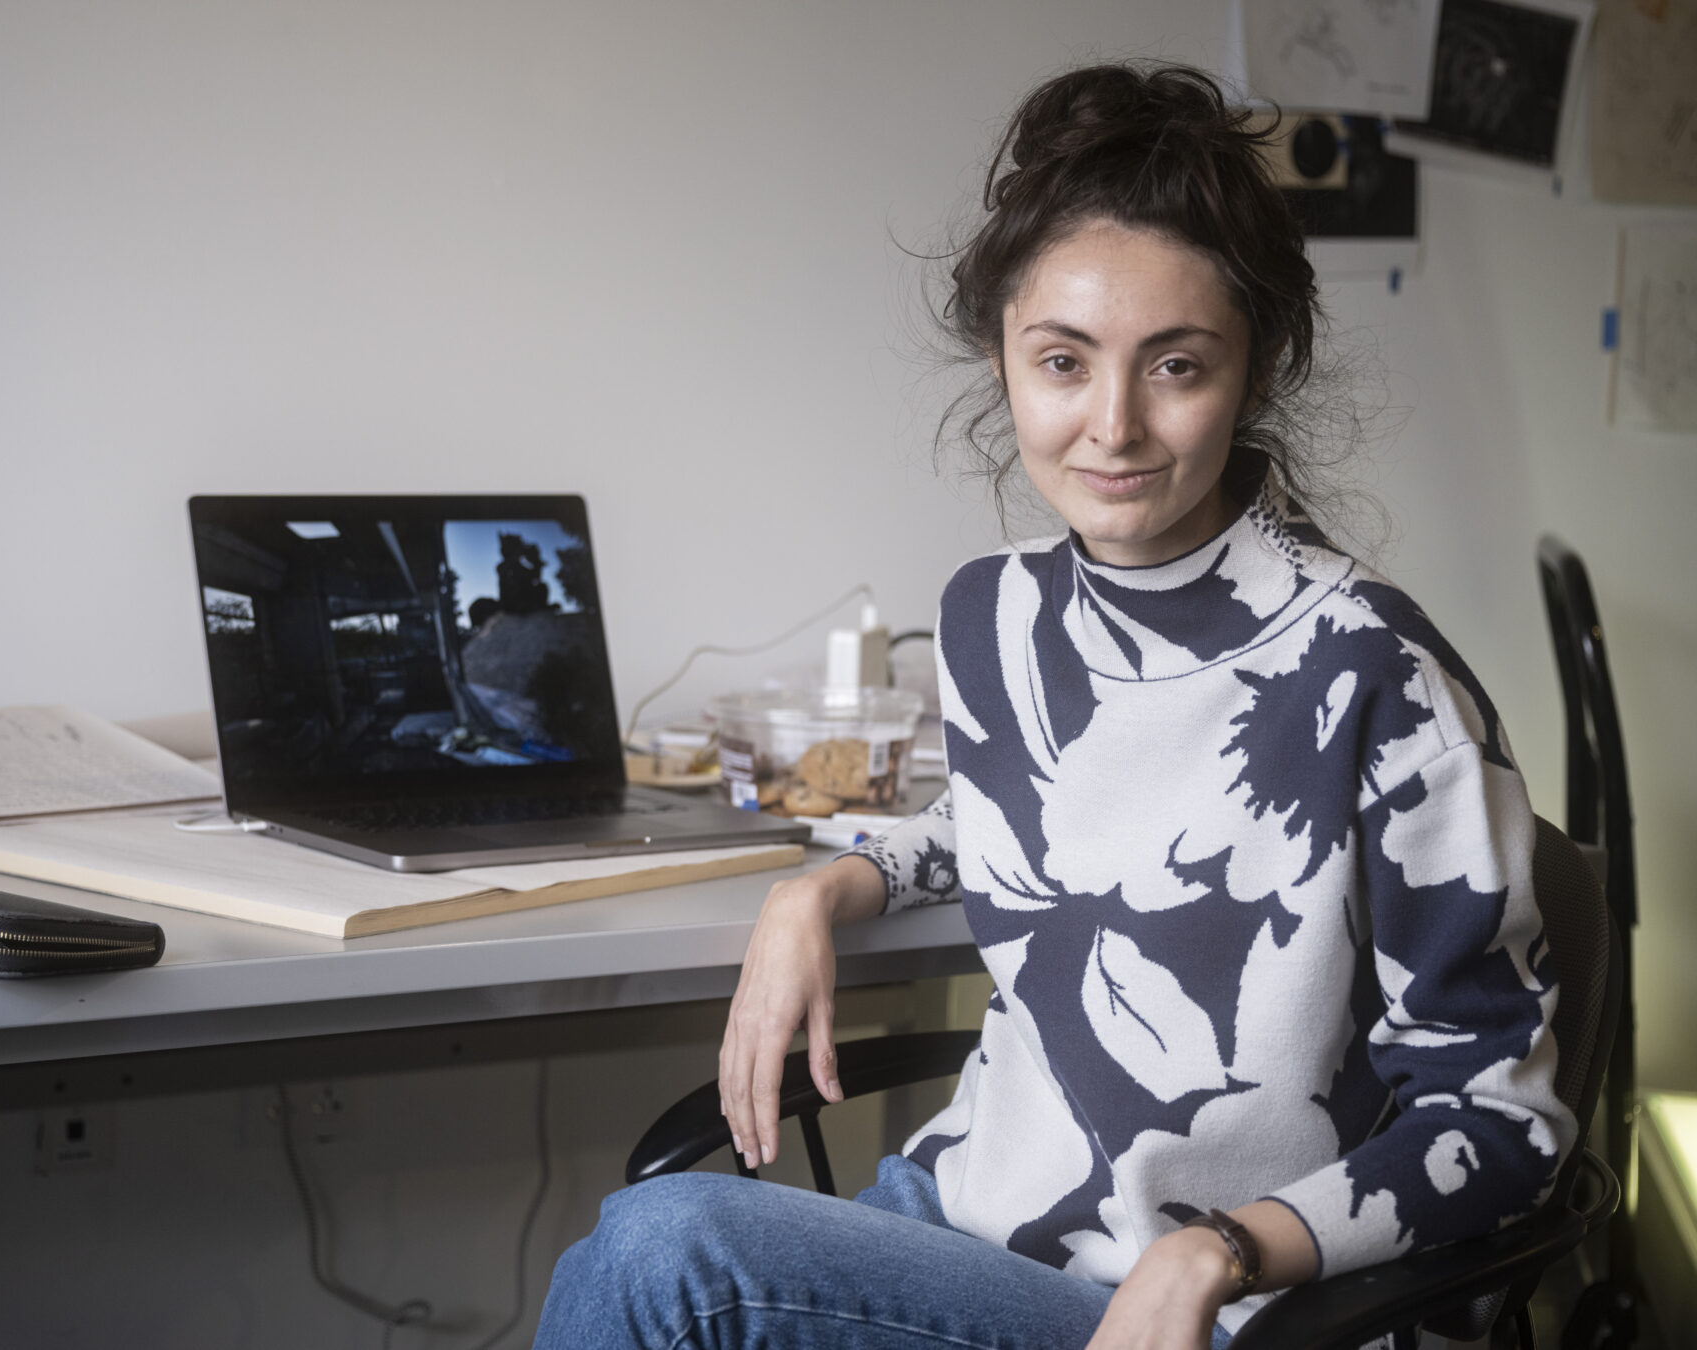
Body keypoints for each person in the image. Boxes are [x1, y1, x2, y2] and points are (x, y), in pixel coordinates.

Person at [534, 61, 1573, 1350]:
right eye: (1064, 362)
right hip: (964, 1223)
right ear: (1005, 362)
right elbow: (1010, 820)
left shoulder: (1374, 670)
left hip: (1207, 1303)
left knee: (664, 1255)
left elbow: (1502, 1121)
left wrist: (1223, 1251)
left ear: (1254, 368)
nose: (1114, 425)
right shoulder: (996, 616)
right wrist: (825, 889)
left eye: (1176, 366)